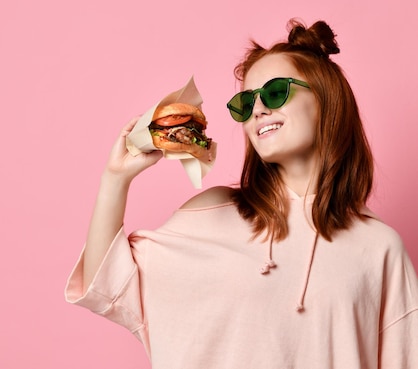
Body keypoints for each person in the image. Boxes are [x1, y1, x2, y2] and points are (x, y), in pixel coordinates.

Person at [65, 19, 418, 368]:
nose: (259, 110)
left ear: (327, 99)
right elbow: (106, 285)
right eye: (246, 103)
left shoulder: (379, 248)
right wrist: (115, 179)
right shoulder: (210, 212)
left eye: (276, 92)